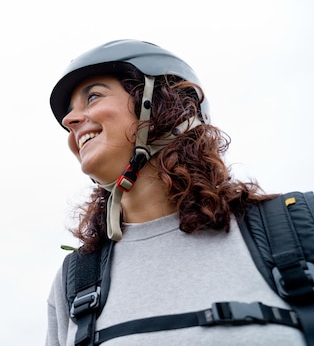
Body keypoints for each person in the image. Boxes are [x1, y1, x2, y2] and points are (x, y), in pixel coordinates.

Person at [45, 39, 307, 345]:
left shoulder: (296, 230)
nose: (68, 120)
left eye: (93, 97)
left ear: (163, 105)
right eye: (69, 112)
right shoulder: (74, 282)